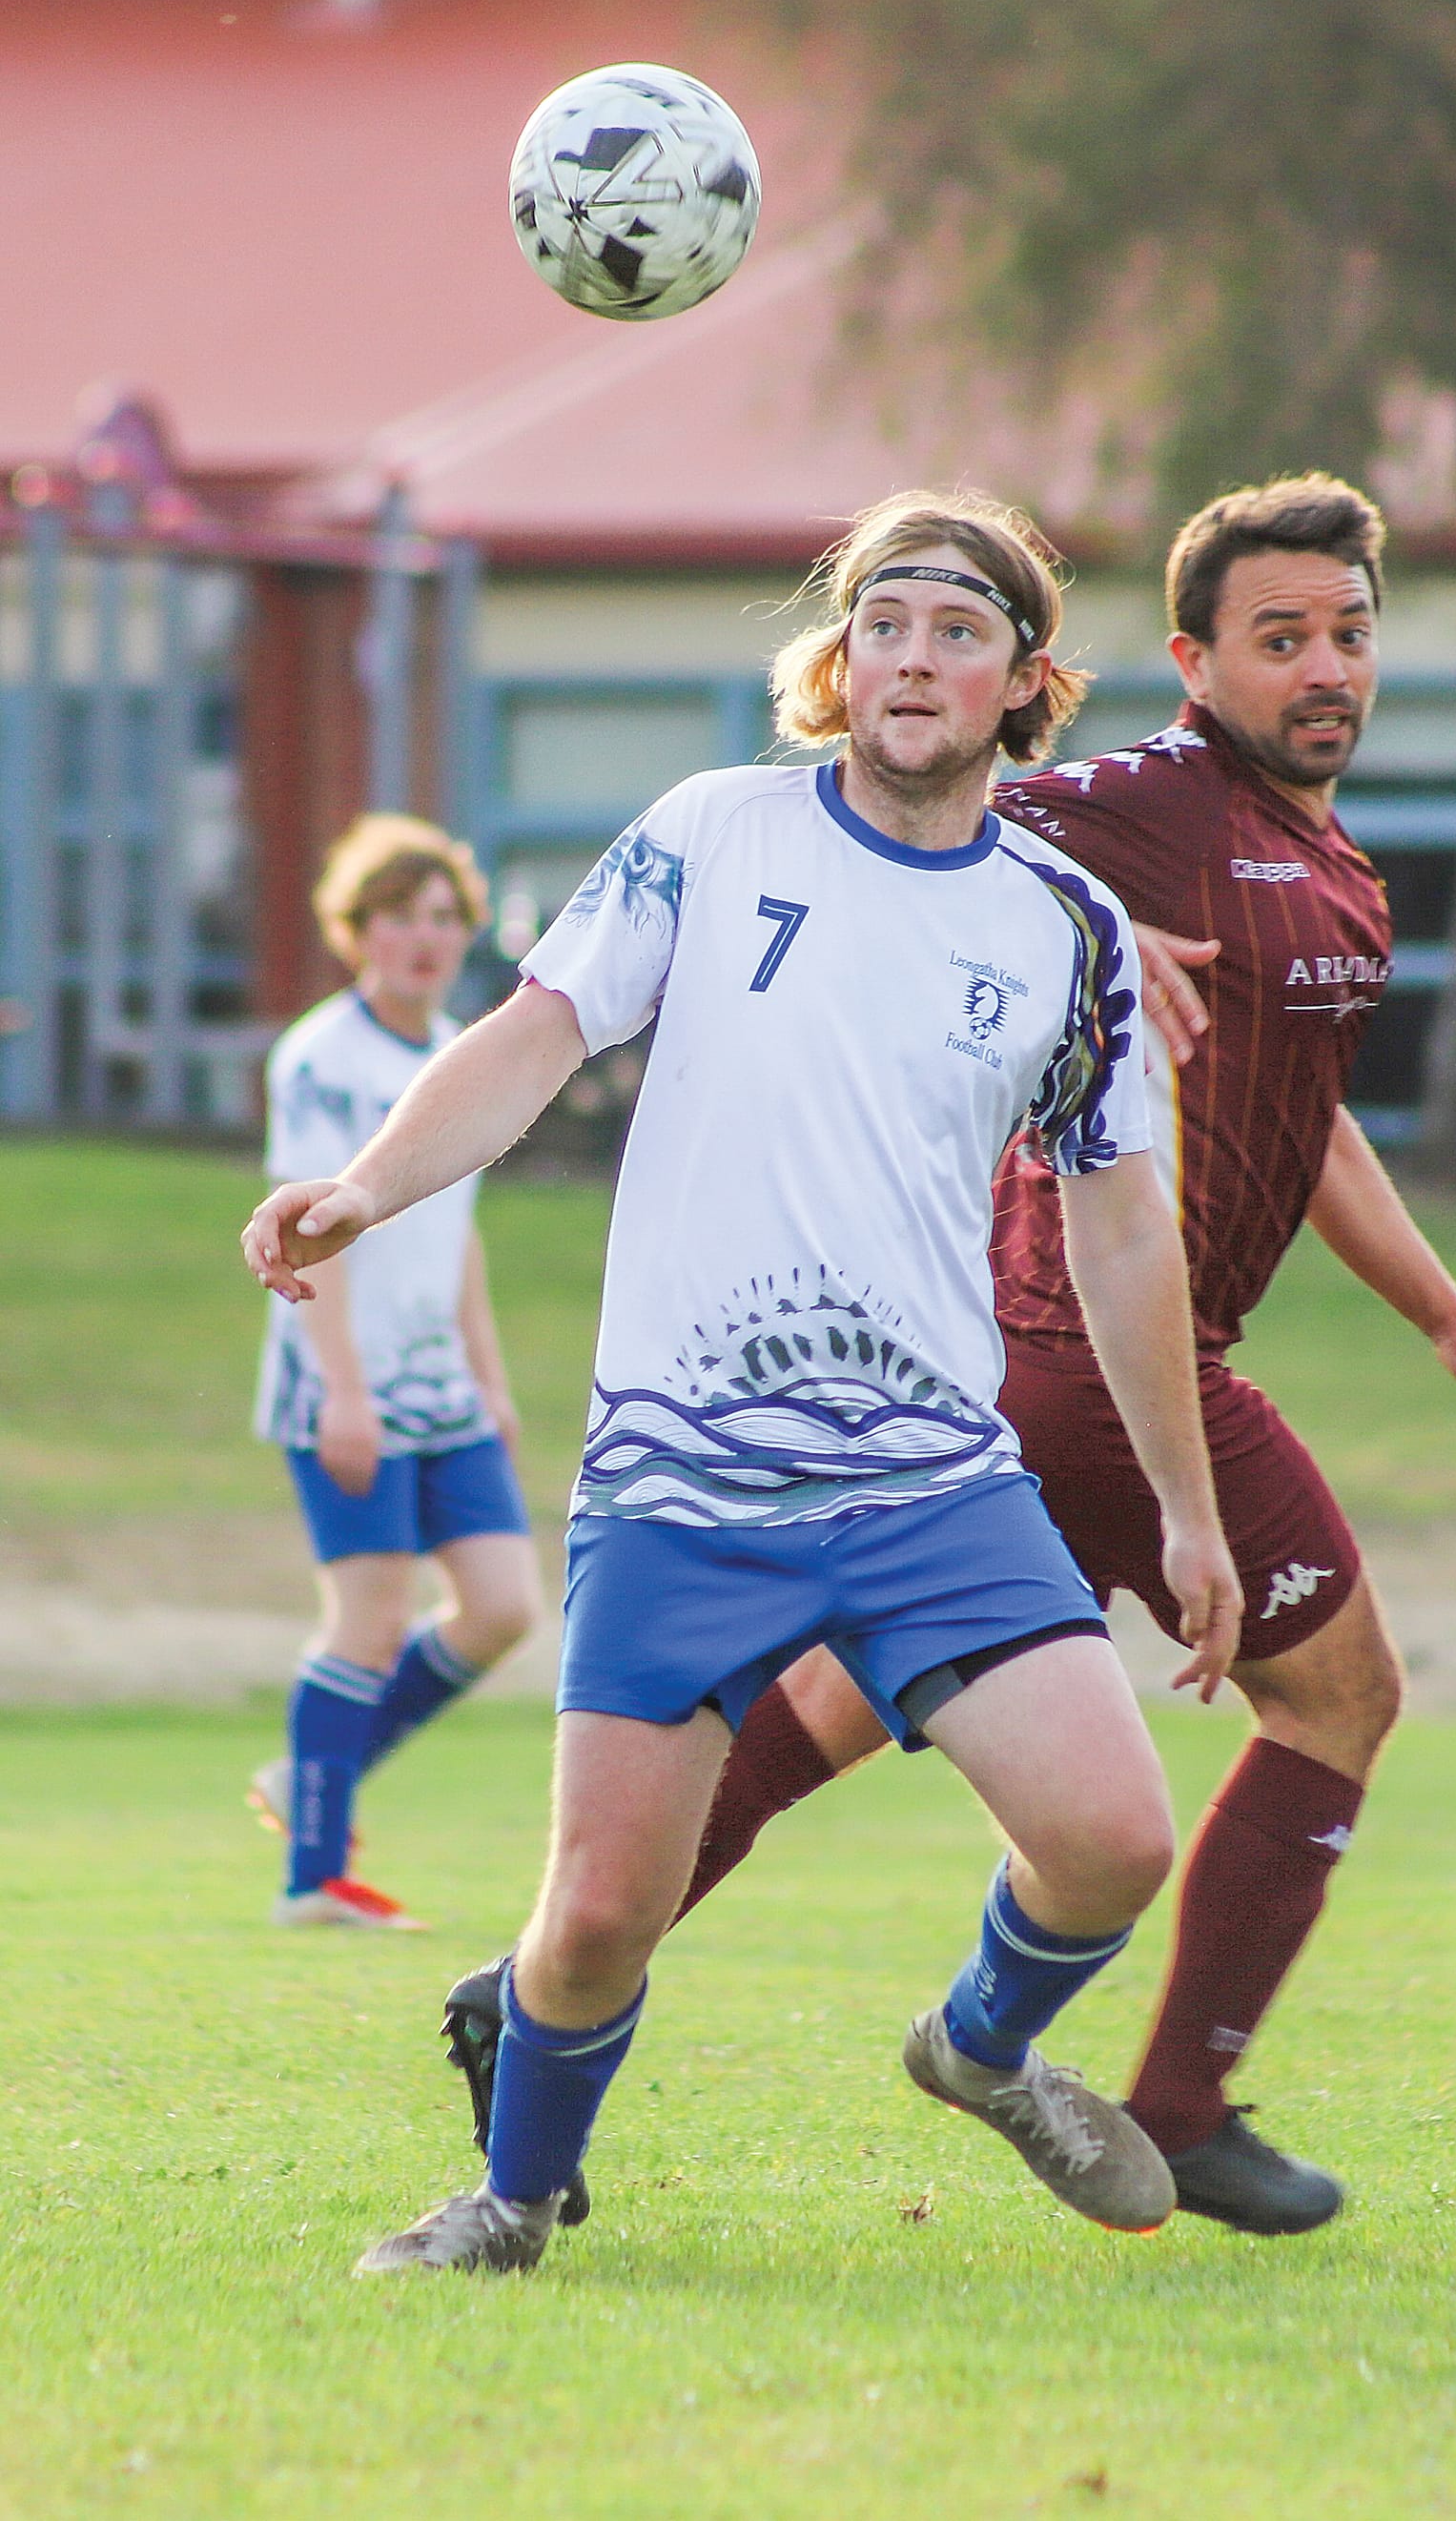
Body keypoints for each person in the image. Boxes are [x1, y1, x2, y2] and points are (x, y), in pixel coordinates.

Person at [441, 473, 1456, 2241]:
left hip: (1031, 1374)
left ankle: (538, 1986)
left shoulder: (1325, 863)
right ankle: (1165, 2098)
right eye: (1277, 638)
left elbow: (1300, 1119)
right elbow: (934, 806)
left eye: (1348, 635)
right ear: (1188, 661)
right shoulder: (1143, 801)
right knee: (1336, 1694)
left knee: (834, 1697)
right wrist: (1076, 904)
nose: (1322, 669)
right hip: (1071, 1350)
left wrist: (1446, 1318)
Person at [243, 492, 1242, 2276]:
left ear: (1023, 680)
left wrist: (1182, 1510)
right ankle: (513, 2200)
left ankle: (981, 2048)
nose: (913, 659)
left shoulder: (1064, 925)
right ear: (836, 662)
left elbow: (1122, 1233)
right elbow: (533, 1033)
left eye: (956, 630)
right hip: (681, 1479)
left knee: (1107, 1842)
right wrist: (370, 1184)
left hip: (934, 1477)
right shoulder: (713, 833)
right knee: (595, 1919)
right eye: (883, 625)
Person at [249, 815, 541, 1931]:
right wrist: (343, 1390)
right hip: (346, 1380)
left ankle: (312, 1776)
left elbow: (452, 1232)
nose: (422, 937)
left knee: (502, 1605)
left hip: (441, 1387)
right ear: (356, 929)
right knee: (368, 1619)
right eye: (398, 916)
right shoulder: (322, 1057)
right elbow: (306, 1230)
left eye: (441, 916)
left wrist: (491, 1376)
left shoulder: (456, 1054)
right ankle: (312, 1878)